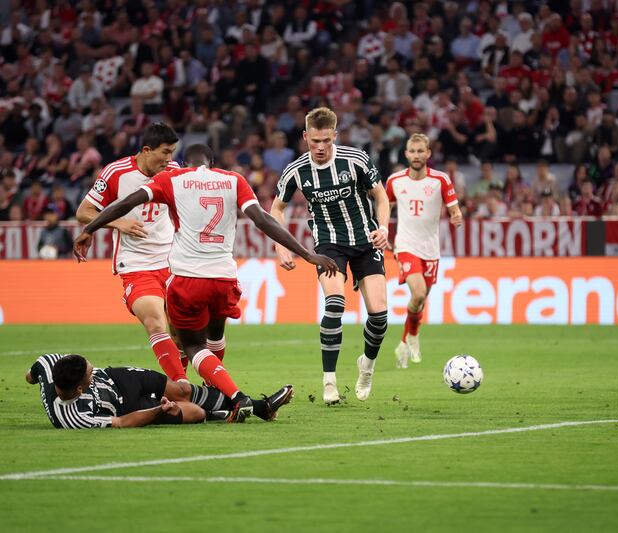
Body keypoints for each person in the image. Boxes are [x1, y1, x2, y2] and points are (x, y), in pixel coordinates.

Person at [74, 144, 336, 421]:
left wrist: (89, 228)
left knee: (192, 346)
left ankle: (232, 397)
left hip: (188, 278)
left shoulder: (172, 178)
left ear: (185, 163)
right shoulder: (234, 179)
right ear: (211, 163)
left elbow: (126, 203)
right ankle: (222, 398)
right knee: (215, 338)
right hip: (225, 278)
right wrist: (307, 253)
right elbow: (261, 219)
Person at [270, 107, 391, 405]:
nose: (320, 147)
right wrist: (280, 245)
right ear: (305, 137)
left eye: (325, 140)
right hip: (328, 246)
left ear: (335, 136)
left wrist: (385, 227)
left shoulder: (356, 160)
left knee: (379, 315)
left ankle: (367, 366)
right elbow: (277, 209)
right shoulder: (296, 170)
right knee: (334, 305)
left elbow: (381, 195)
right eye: (314, 141)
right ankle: (329, 382)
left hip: (366, 241)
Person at [76, 122, 188, 383]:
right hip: (137, 265)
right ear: (146, 150)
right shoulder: (116, 172)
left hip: (173, 262)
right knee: (155, 323)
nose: (170, 159)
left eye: (173, 152)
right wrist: (118, 221)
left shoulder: (174, 171)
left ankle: (182, 384)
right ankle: (182, 387)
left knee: (182, 333)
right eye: (165, 152)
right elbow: (84, 212)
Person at [27, 353, 292, 428]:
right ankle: (224, 414)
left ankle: (258, 407)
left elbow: (32, 373)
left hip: (118, 379)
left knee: (182, 389)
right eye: (89, 372)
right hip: (125, 408)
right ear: (81, 388)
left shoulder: (50, 364)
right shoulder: (75, 416)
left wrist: (30, 378)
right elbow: (121, 422)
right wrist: (157, 410)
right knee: (194, 413)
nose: (92, 369)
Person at [385, 134, 462, 368]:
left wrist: (457, 216)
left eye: (421, 151)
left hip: (430, 249)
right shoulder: (395, 181)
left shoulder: (440, 180)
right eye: (412, 151)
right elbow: (384, 209)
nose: (417, 155)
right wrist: (382, 232)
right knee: (418, 294)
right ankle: (414, 337)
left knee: (420, 301)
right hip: (405, 245)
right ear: (406, 154)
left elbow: (454, 208)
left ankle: (403, 343)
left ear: (428, 153)